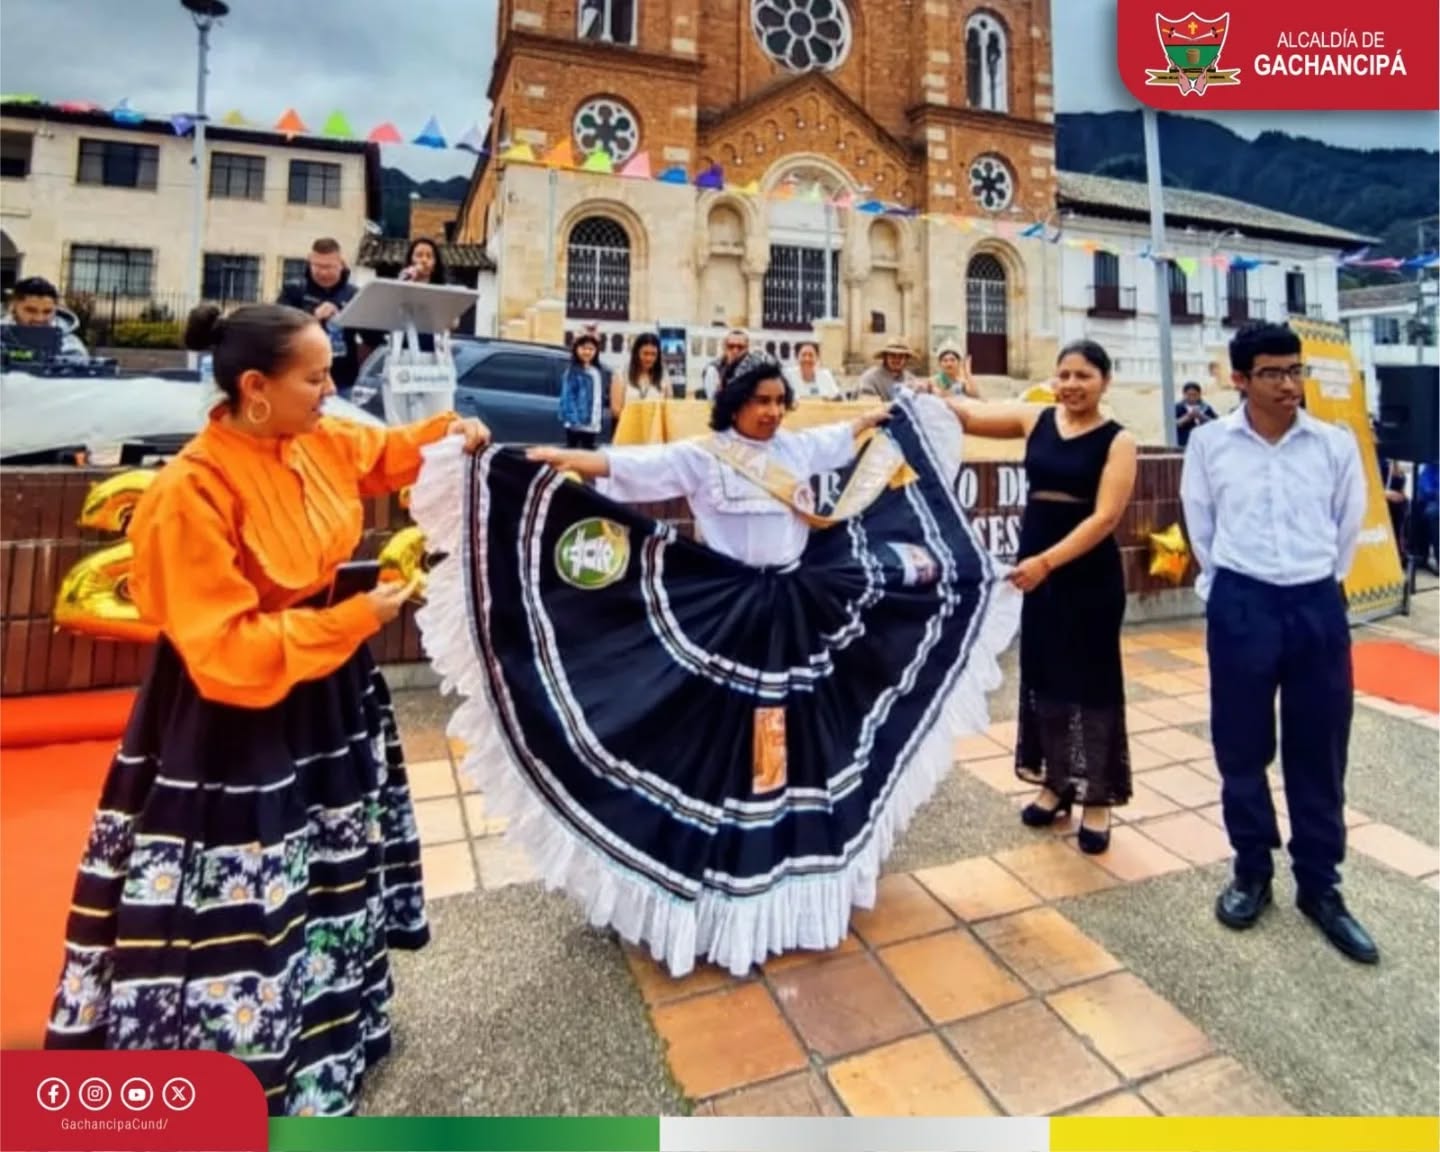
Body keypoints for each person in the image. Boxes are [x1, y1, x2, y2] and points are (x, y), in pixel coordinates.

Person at [409, 353, 1020, 977]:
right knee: (728, 742)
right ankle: (726, 873)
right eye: (761, 402)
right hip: (732, 611)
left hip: (798, 606)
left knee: (804, 738)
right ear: (734, 404)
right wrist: (557, 459)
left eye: (780, 402)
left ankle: (801, 871)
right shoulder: (704, 454)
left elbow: (845, 438)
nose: (773, 413)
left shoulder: (795, 447)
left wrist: (890, 410)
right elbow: (631, 466)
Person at [44, 302, 491, 1113]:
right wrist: (359, 617)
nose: (331, 391)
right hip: (234, 720)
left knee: (324, 875)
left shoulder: (315, 440)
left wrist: (454, 433)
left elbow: (386, 454)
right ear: (256, 387)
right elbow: (227, 653)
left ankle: (328, 1044)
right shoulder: (192, 490)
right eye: (316, 378)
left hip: (324, 692)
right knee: (247, 893)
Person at [1180, 322, 1376, 964]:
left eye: (1296, 371)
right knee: (1240, 744)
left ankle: (1321, 886)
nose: (1290, 384)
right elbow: (1201, 525)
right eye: (1273, 373)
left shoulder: (1333, 444)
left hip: (1315, 603)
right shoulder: (1209, 444)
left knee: (1320, 746)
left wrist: (1318, 587)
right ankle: (1252, 869)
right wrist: (1229, 593)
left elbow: (1346, 526)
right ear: (1240, 379)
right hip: (1242, 603)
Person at [946, 340, 1137, 853]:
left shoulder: (1118, 441)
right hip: (1038, 575)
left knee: (1092, 685)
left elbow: (1106, 518)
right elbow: (969, 415)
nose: (1072, 385)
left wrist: (1047, 561)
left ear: (1104, 381)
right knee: (1046, 679)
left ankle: (1097, 797)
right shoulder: (1037, 419)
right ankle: (1056, 783)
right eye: (1064, 375)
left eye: (1084, 376)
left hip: (1085, 574)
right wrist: (929, 397)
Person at [277, 238, 375, 396]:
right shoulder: (294, 289)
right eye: (317, 266)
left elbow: (372, 338)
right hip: (302, 376)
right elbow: (279, 328)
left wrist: (354, 316)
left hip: (343, 379)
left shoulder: (354, 294)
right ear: (310, 261)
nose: (322, 272)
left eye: (328, 267)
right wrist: (313, 317)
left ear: (341, 264)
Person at [1, 275, 88, 356]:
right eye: (30, 310)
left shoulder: (70, 345)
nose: (39, 318)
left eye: (47, 312)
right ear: (13, 308)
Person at [558, 331, 605, 448]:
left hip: (592, 423)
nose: (587, 352)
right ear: (576, 349)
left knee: (587, 455)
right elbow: (568, 398)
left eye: (591, 349)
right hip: (577, 424)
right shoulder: (572, 372)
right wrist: (574, 420)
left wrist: (598, 419)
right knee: (573, 454)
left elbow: (597, 397)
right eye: (583, 348)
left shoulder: (596, 371)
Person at [611, 331, 671, 417]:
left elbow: (668, 406)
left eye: (653, 354)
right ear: (636, 353)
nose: (649, 358)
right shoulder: (621, 374)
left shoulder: (663, 375)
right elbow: (616, 410)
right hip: (629, 426)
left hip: (655, 427)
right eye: (645, 353)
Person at [700, 329, 750, 397]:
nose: (735, 351)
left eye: (740, 347)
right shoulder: (716, 366)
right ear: (724, 347)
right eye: (731, 346)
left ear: (747, 348)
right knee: (711, 371)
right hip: (722, 402)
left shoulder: (754, 366)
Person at [1174, 381, 1219, 448]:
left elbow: (1215, 423)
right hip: (1184, 443)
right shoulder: (1177, 407)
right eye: (1189, 395)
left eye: (1194, 395)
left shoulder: (1206, 407)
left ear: (1199, 394)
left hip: (1204, 443)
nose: (1192, 397)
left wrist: (1201, 416)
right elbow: (1172, 425)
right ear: (1184, 394)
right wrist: (1188, 417)